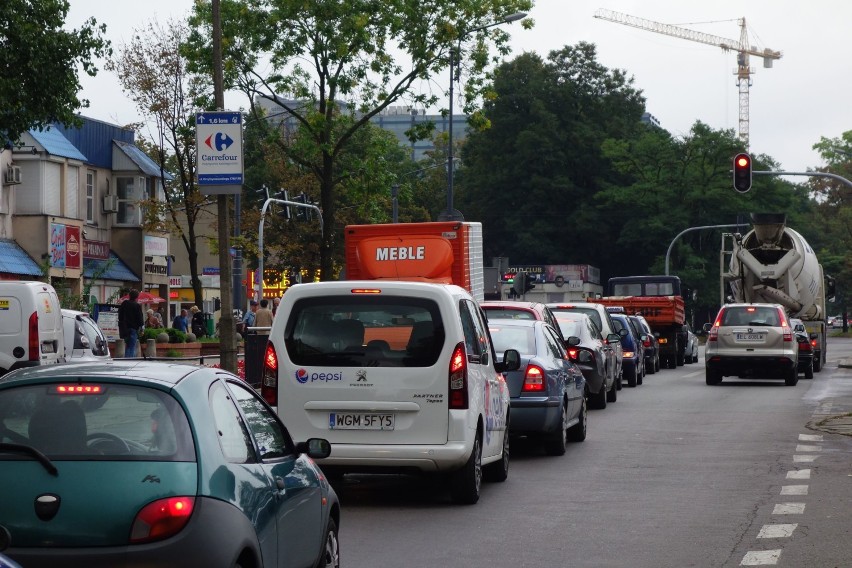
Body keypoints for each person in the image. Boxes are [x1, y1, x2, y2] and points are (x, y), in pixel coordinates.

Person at [118, 289, 144, 357]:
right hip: (133, 328)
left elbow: (120, 315)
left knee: (127, 345)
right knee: (132, 346)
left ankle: (126, 359)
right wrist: (142, 328)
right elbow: (140, 318)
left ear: (129, 296)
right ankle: (130, 361)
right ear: (137, 297)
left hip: (124, 328)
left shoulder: (124, 303)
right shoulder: (137, 305)